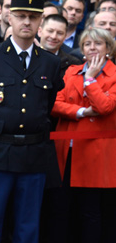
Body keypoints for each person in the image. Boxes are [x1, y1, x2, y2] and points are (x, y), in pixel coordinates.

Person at [0, 0, 64, 243]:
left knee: (27, 230)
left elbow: (46, 105)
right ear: (9, 17)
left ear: (41, 21)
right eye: (21, 16)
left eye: (33, 16)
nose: (27, 22)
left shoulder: (50, 63)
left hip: (34, 157)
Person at [50, 27, 116, 243]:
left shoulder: (114, 74)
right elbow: (54, 104)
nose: (92, 48)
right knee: (62, 209)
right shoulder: (71, 71)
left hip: (95, 155)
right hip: (67, 151)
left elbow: (105, 107)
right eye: (87, 44)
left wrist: (90, 80)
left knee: (91, 212)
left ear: (108, 48)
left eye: (98, 44)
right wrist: (80, 112)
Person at [38, 14, 82, 78]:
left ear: (65, 36)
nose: (54, 36)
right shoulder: (27, 57)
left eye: (60, 33)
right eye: (50, 31)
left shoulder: (73, 64)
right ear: (40, 31)